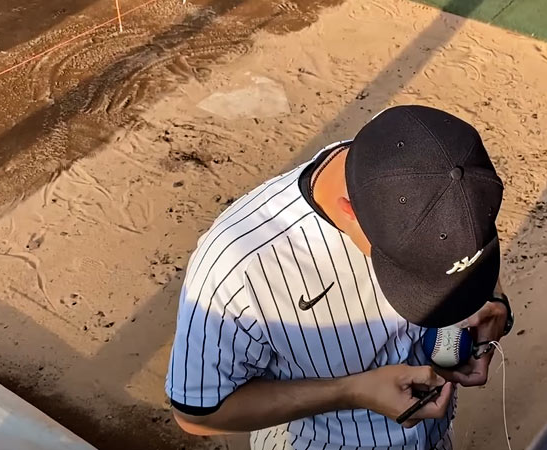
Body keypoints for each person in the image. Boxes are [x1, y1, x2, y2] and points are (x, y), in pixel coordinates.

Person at [165, 105, 514, 450]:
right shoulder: (239, 265)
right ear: (349, 210)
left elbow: (469, 243)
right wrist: (352, 392)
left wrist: (488, 299)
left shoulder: (434, 169)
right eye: (407, 269)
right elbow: (198, 413)